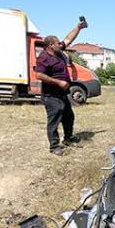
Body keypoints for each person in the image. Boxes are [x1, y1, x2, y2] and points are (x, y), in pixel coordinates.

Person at [35, 19, 87, 155]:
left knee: (69, 116)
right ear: (51, 45)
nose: (61, 44)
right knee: (54, 120)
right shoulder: (43, 58)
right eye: (58, 43)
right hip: (50, 96)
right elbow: (39, 75)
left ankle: (68, 139)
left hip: (62, 94)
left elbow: (68, 39)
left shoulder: (58, 52)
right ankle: (54, 147)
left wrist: (78, 27)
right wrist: (58, 82)